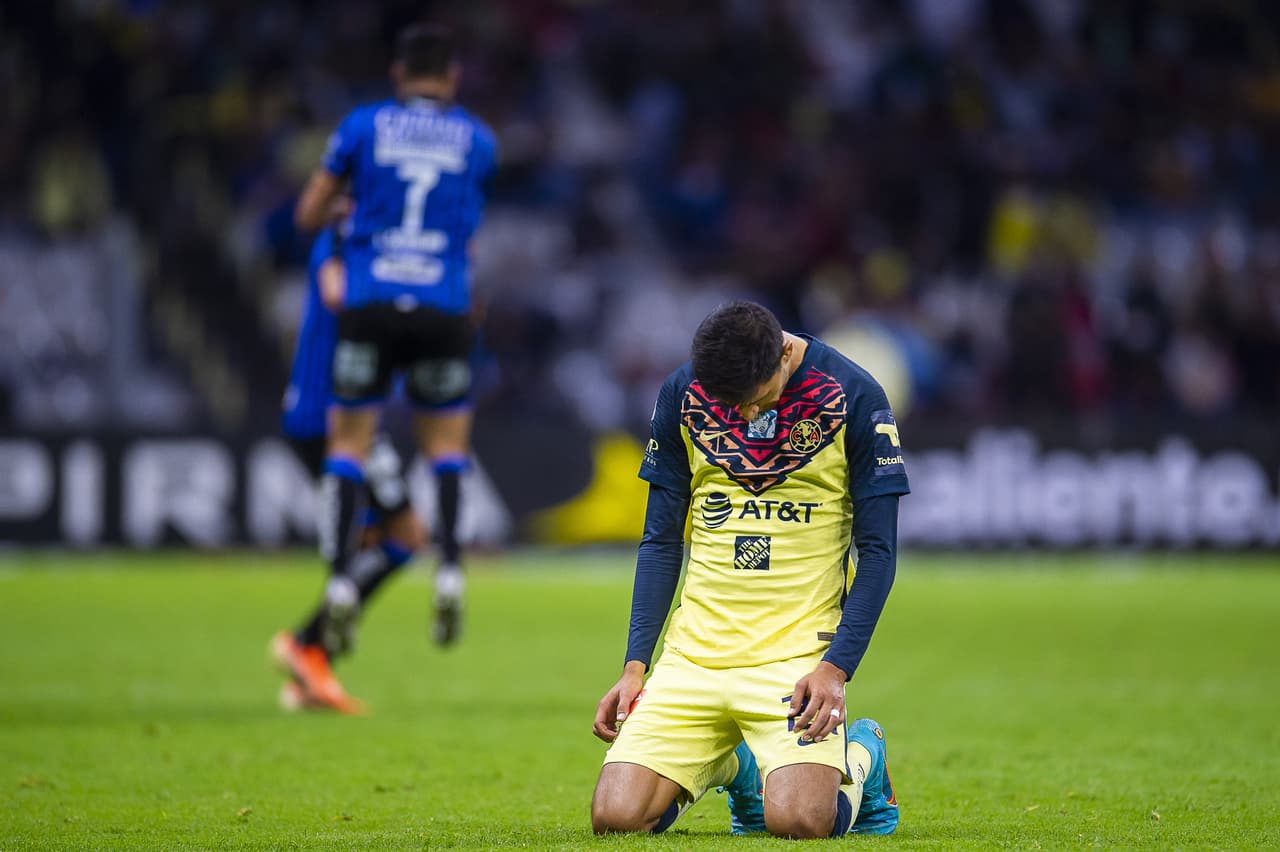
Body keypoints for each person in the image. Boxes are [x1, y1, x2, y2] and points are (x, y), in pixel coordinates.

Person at [590, 300, 909, 839]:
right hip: (694, 655)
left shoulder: (855, 396)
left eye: (755, 400)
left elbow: (878, 552)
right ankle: (735, 766)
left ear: (784, 354)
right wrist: (634, 665)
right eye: (729, 404)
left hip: (796, 657)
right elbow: (661, 540)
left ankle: (863, 759)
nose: (743, 416)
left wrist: (835, 669)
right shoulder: (684, 393)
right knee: (616, 820)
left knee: (800, 822)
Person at [292, 23, 497, 653]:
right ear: (453, 77)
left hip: (371, 301)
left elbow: (307, 214)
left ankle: (338, 582)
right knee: (447, 445)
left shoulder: (362, 126)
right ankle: (452, 568)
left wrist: (341, 211)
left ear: (398, 74)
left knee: (348, 443)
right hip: (442, 303)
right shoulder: (478, 139)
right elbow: (467, 229)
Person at [270, 217, 428, 715]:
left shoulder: (370, 236)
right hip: (328, 417)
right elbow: (336, 292)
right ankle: (308, 647)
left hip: (352, 415)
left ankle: (310, 659)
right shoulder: (346, 235)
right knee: (402, 536)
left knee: (389, 539)